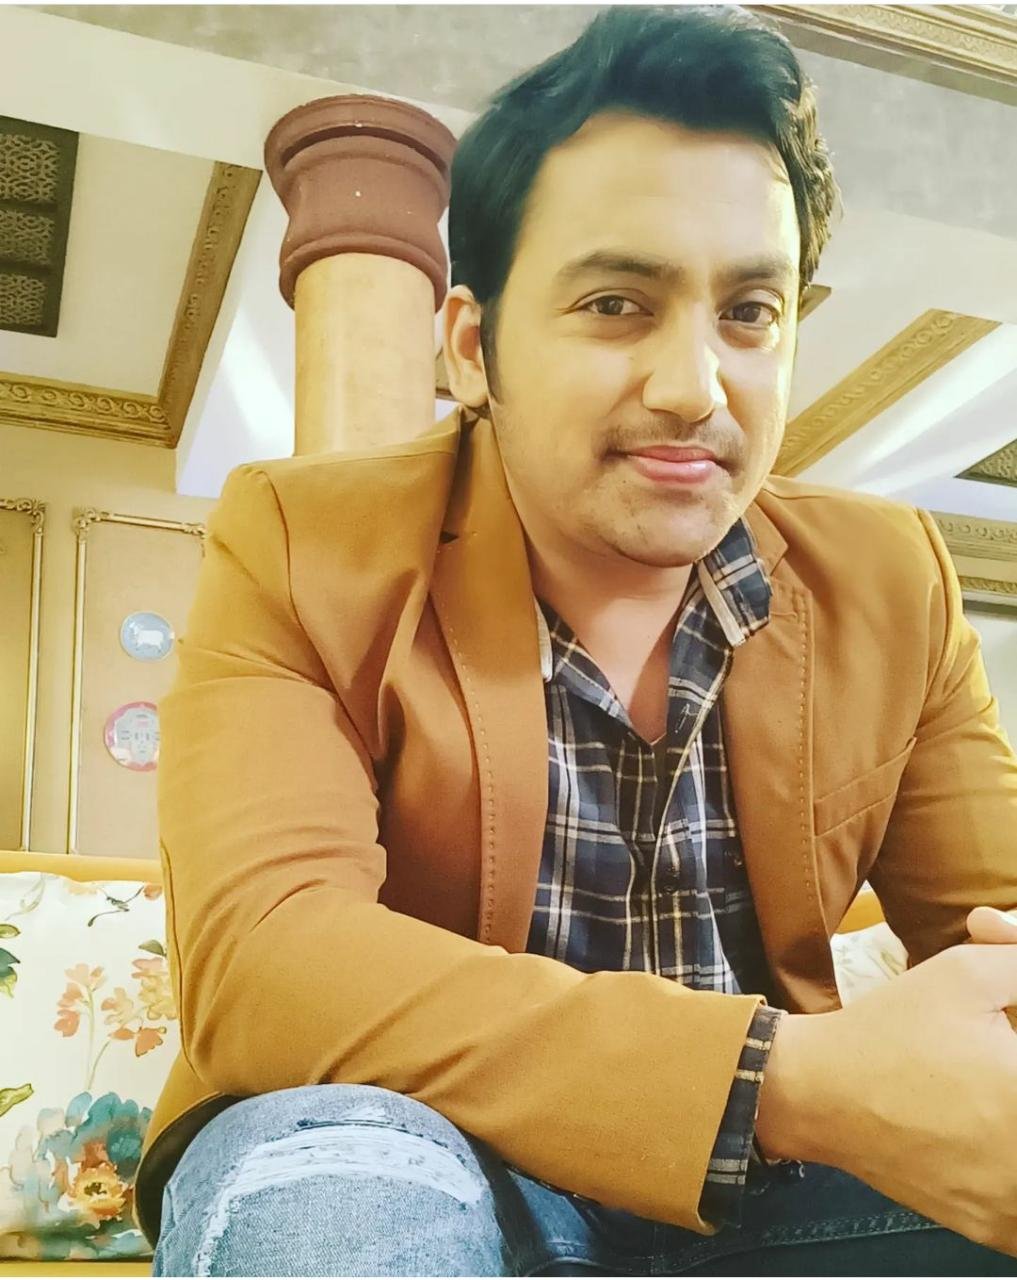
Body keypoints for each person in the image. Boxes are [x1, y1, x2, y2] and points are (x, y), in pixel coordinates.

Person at [143, 6, 1017, 1275]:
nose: (696, 386)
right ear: (472, 347)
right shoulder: (299, 541)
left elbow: (997, 916)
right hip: (424, 1146)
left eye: (751, 312)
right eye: (617, 303)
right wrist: (781, 1078)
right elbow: (266, 959)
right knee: (329, 1185)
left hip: (777, 1201)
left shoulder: (890, 580)